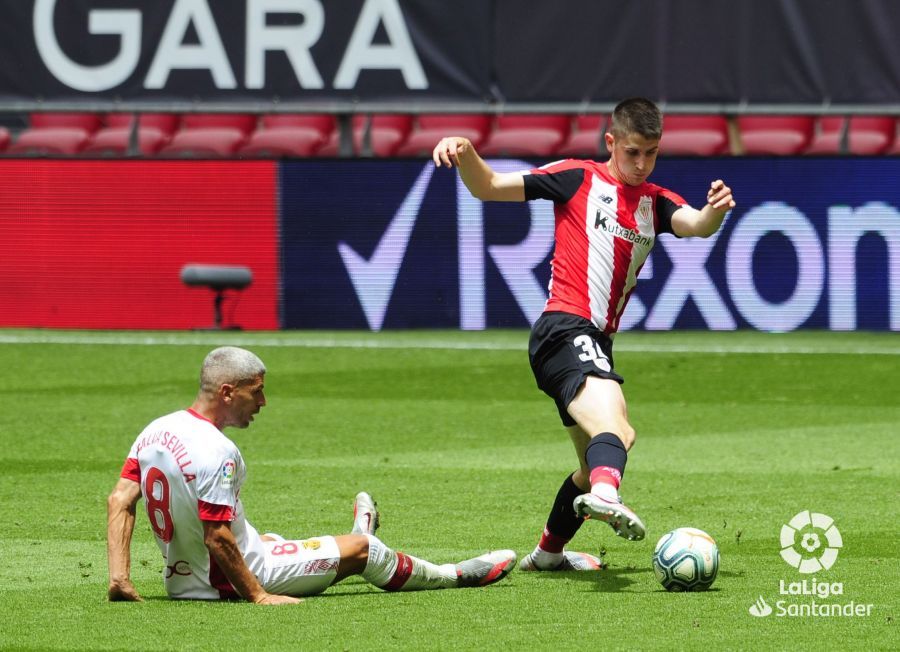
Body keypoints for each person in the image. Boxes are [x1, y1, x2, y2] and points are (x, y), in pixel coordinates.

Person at [432, 98, 736, 571]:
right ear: (611, 142)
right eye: (633, 152)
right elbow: (488, 186)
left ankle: (548, 554)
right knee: (618, 427)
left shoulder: (654, 202)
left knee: (590, 461)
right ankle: (607, 495)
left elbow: (696, 225)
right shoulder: (577, 177)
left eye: (651, 153)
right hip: (564, 328)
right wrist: (465, 150)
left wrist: (716, 210)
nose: (641, 164)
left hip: (594, 341)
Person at [106, 346, 516, 604]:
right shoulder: (216, 450)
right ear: (228, 392)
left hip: (182, 582)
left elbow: (119, 500)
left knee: (267, 539)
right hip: (225, 584)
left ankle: (356, 536)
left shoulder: (156, 429)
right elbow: (218, 537)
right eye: (257, 391)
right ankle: (451, 575)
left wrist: (120, 578)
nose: (264, 401)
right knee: (362, 552)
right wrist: (260, 596)